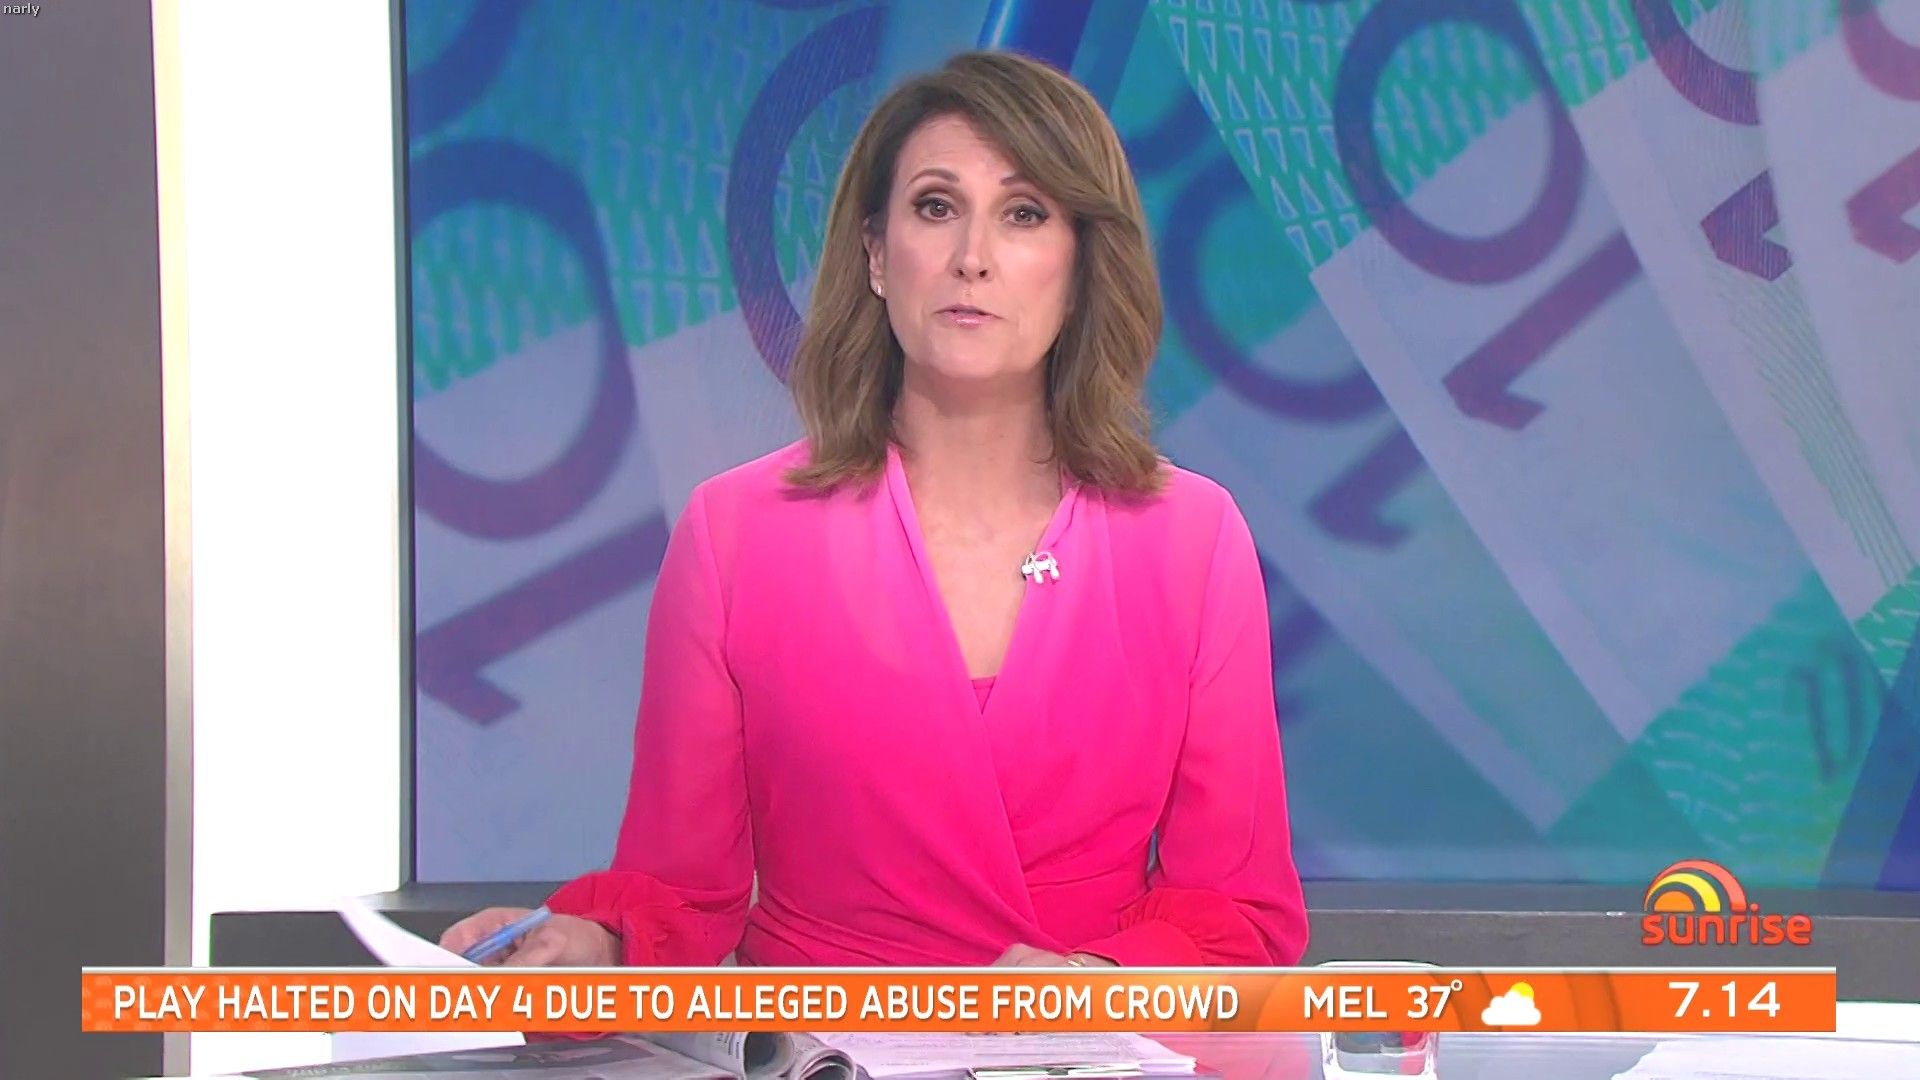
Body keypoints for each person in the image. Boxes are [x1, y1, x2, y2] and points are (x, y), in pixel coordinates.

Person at [442, 50, 1308, 970]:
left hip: (1091, 1039)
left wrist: (1093, 987)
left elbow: (1234, 914)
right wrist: (590, 943)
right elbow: (678, 895)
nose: (972, 258)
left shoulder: (1191, 539)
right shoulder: (734, 535)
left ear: (1082, 264)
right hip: (821, 1037)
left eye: (1024, 214)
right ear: (876, 256)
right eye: (935, 207)